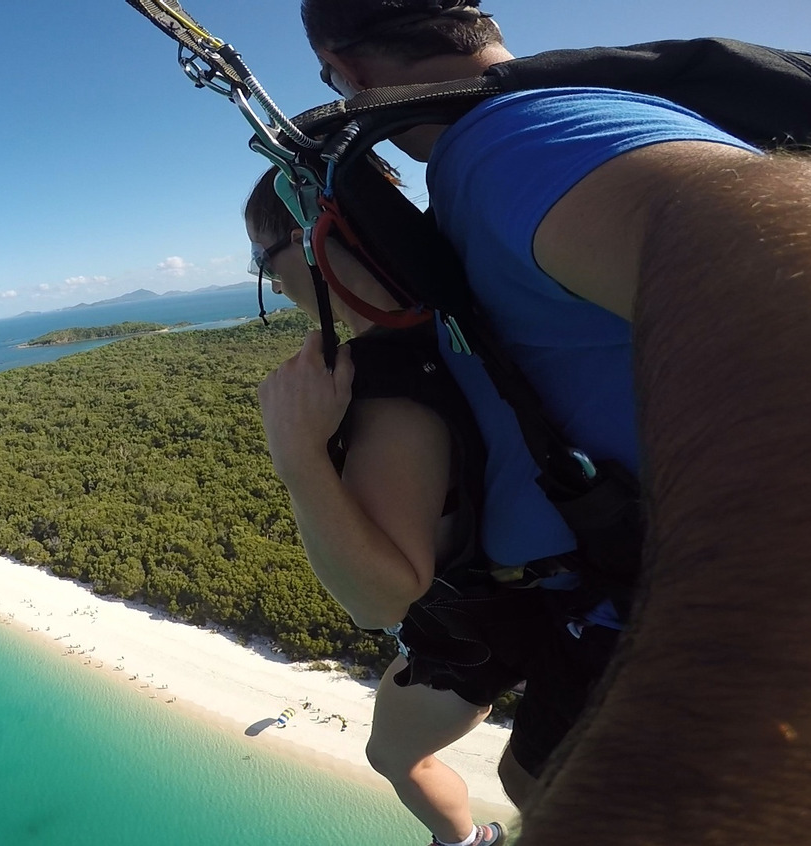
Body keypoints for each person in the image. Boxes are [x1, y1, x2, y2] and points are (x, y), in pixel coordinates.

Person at [299, 1, 811, 840]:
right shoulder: (508, 151)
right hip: (605, 601)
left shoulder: (516, 140)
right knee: (528, 776)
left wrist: (766, 700)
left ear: (345, 73)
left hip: (684, 625)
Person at [249, 167, 615, 846]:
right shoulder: (475, 306)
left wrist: (297, 455)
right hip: (579, 579)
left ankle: (468, 843)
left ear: (309, 247)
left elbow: (380, 599)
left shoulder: (385, 380)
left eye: (262, 260)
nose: (270, 283)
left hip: (479, 624)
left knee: (396, 755)